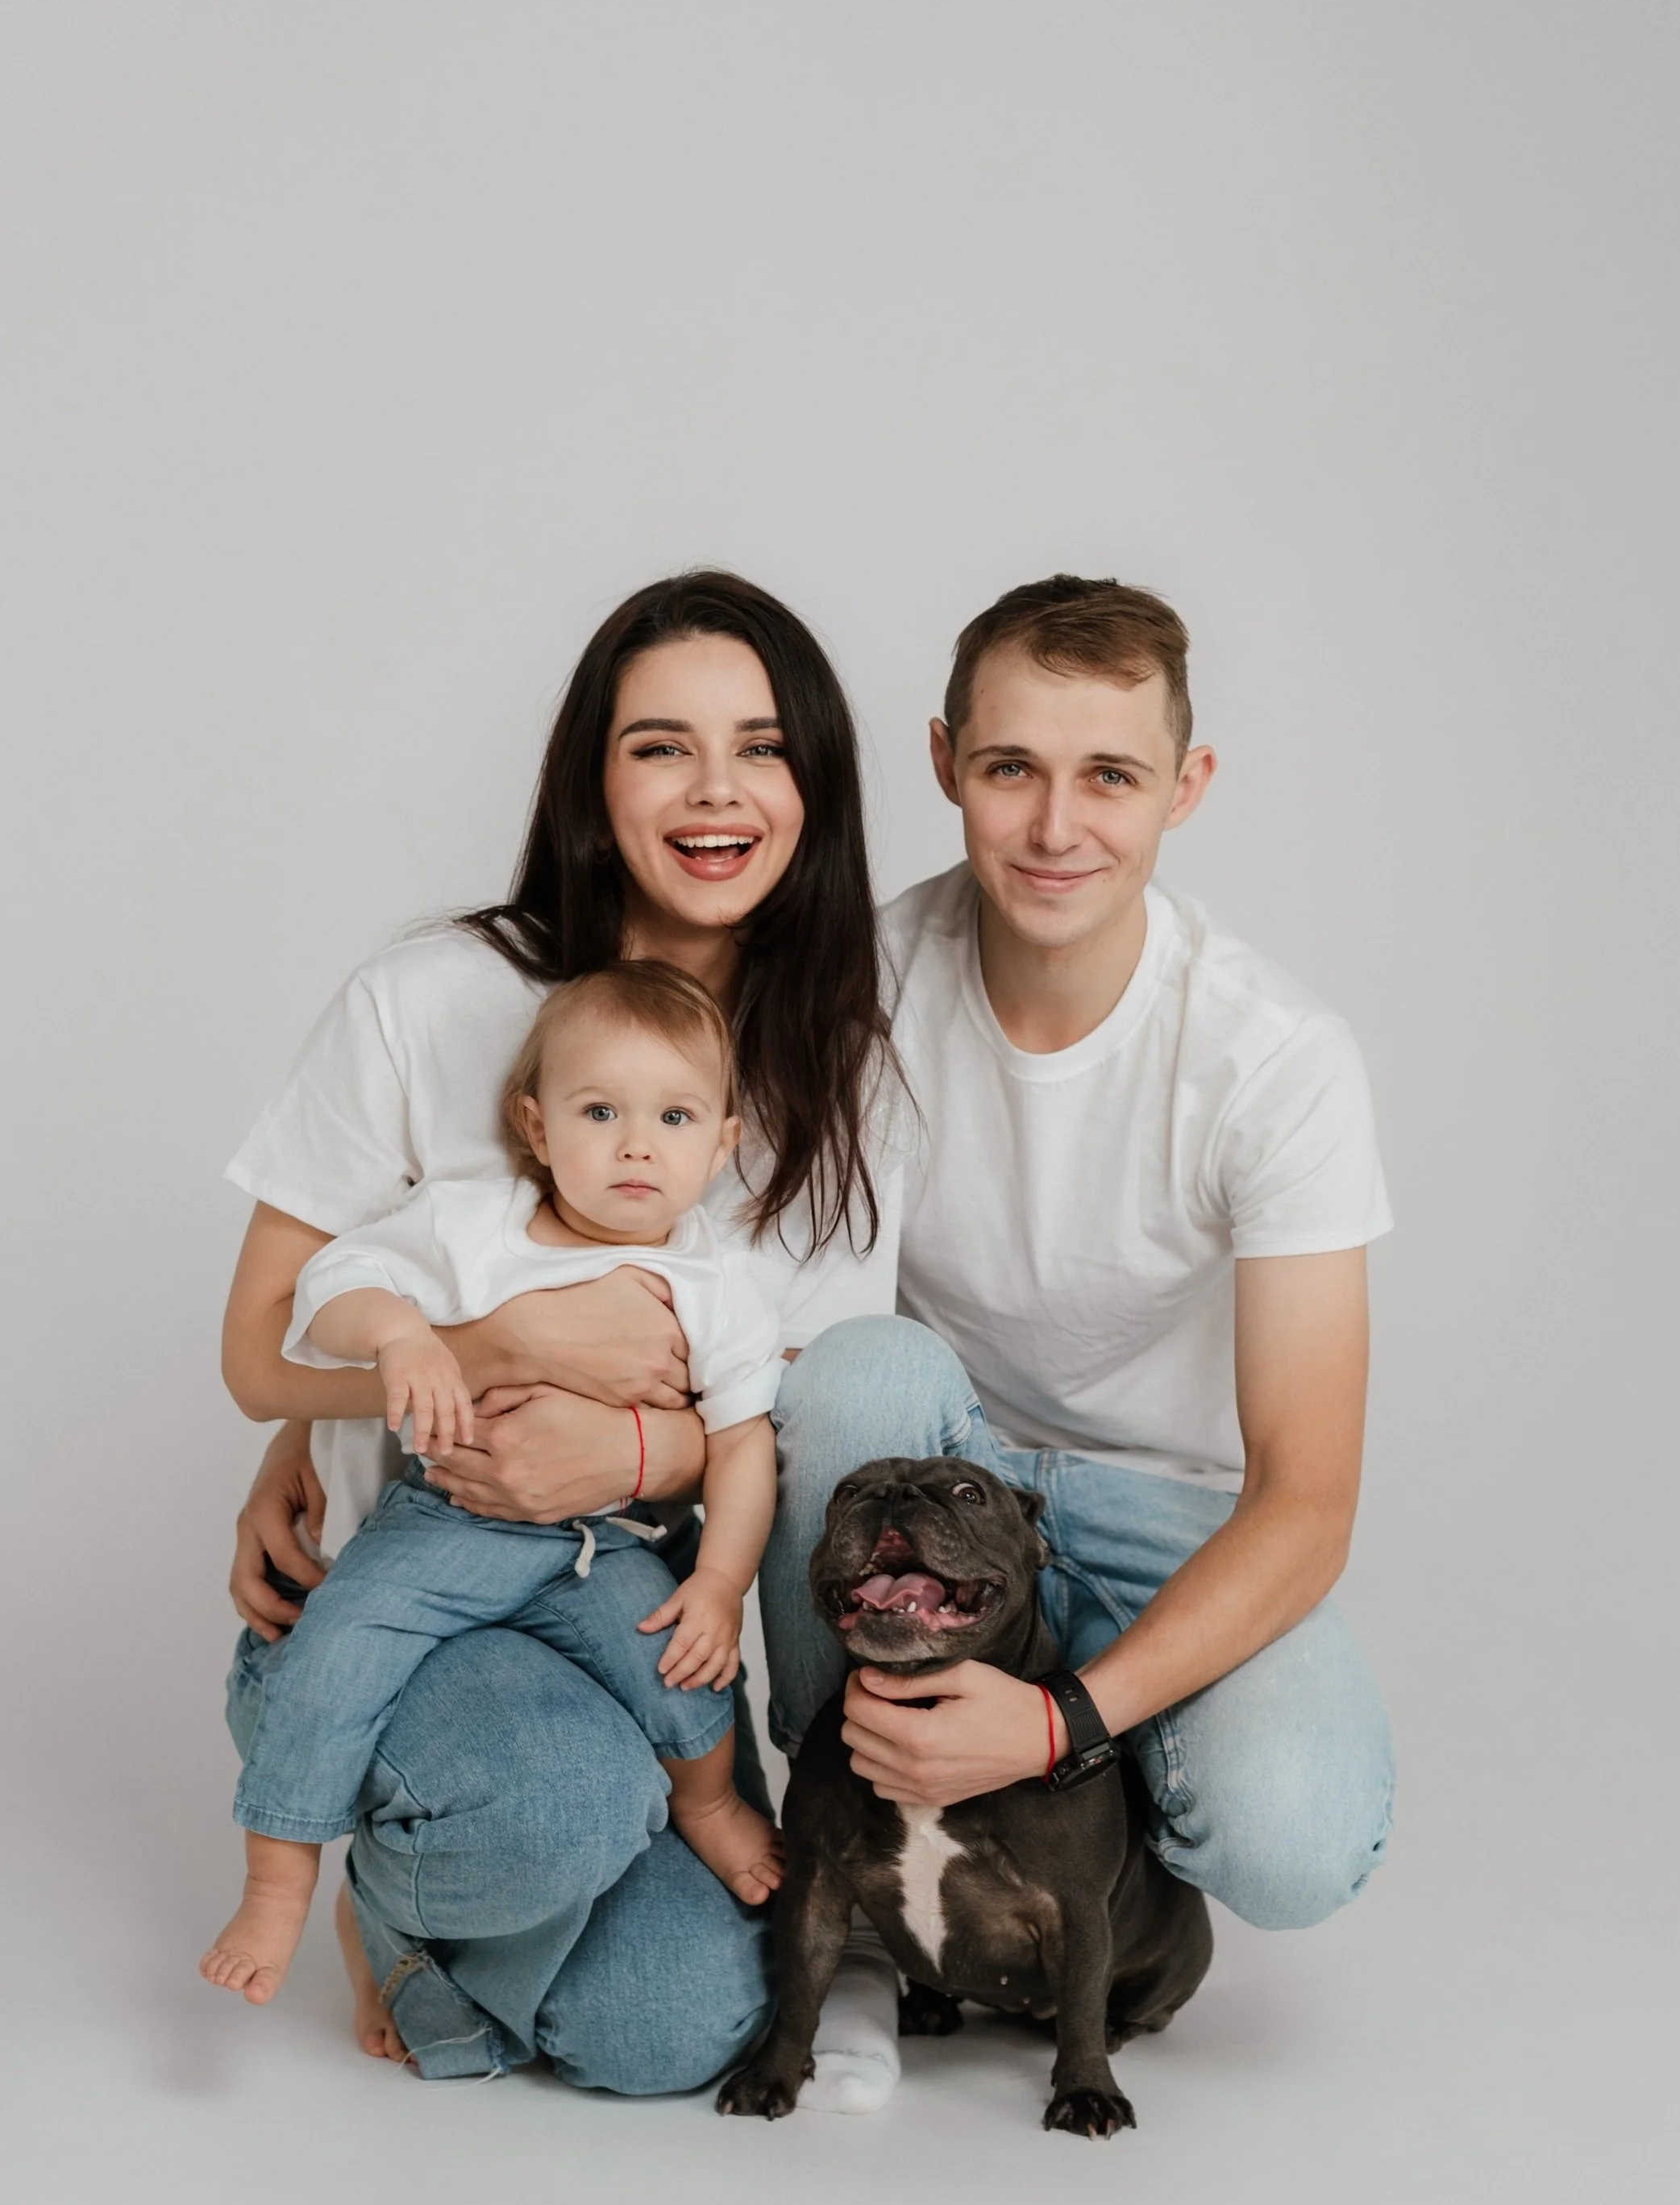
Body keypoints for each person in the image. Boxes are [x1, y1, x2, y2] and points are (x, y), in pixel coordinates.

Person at [218, 570, 899, 2091]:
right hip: (411, 1577)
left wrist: (639, 1447)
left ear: (817, 785)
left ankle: (514, 1889)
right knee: (558, 1810)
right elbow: (264, 1351)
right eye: (662, 746)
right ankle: (385, 1876)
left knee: (671, 2029)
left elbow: (807, 1409)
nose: (716, 791)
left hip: (623, 1577)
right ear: (595, 783)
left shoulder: (836, 1055)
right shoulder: (429, 1000)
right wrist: (489, 1360)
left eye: (763, 747)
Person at [759, 575, 1395, 2092]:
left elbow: (1309, 1499)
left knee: (1296, 1838)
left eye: (1110, 774)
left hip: (1164, 1518)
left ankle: (1053, 1854)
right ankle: (863, 1866)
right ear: (944, 762)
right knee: (851, 1374)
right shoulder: (858, 989)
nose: (1057, 827)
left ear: (1187, 784)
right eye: (1012, 768)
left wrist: (1063, 1728)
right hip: (942, 1477)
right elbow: (751, 1329)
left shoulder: (1276, 1057)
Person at [202, 963, 788, 2009]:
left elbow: (744, 1443)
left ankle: (706, 1806)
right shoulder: (474, 1224)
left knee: (680, 1661)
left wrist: (721, 1583)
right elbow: (332, 1283)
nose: (637, 1145)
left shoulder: (719, 1285)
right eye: (599, 1112)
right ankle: (279, 1881)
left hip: (603, 1543)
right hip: (449, 1522)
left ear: (722, 1144)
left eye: (675, 1117)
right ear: (535, 1126)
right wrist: (401, 1335)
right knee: (336, 1649)